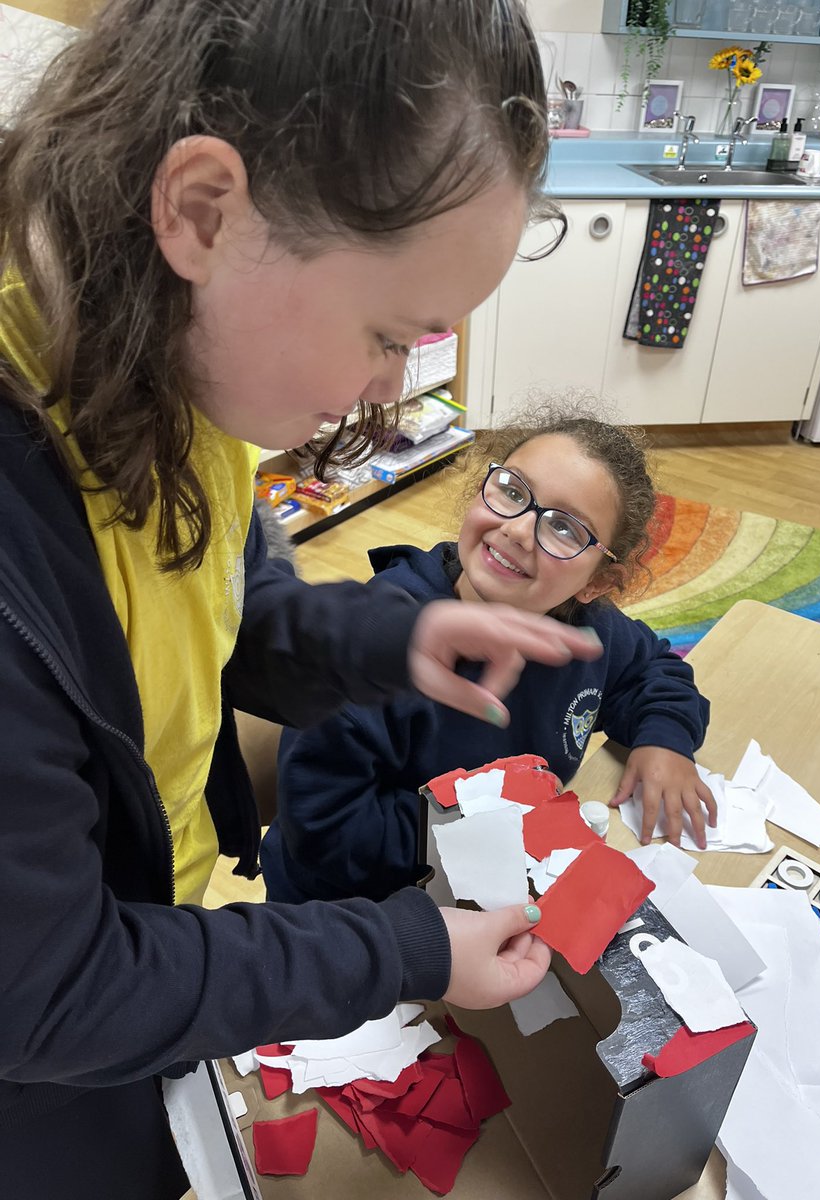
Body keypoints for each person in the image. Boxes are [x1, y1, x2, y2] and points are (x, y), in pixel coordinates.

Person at [0, 3, 605, 1196]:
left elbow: (223, 612)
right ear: (202, 211)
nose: (387, 387)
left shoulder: (151, 353)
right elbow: (52, 990)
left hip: (131, 946)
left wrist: (395, 637)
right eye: (387, 335)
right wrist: (404, 947)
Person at [264, 406, 715, 908]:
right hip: (356, 916)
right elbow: (325, 832)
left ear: (597, 583)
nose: (518, 530)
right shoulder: (377, 644)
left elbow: (652, 671)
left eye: (565, 528)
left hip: (497, 883)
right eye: (514, 492)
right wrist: (487, 825)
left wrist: (665, 740)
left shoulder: (588, 630)